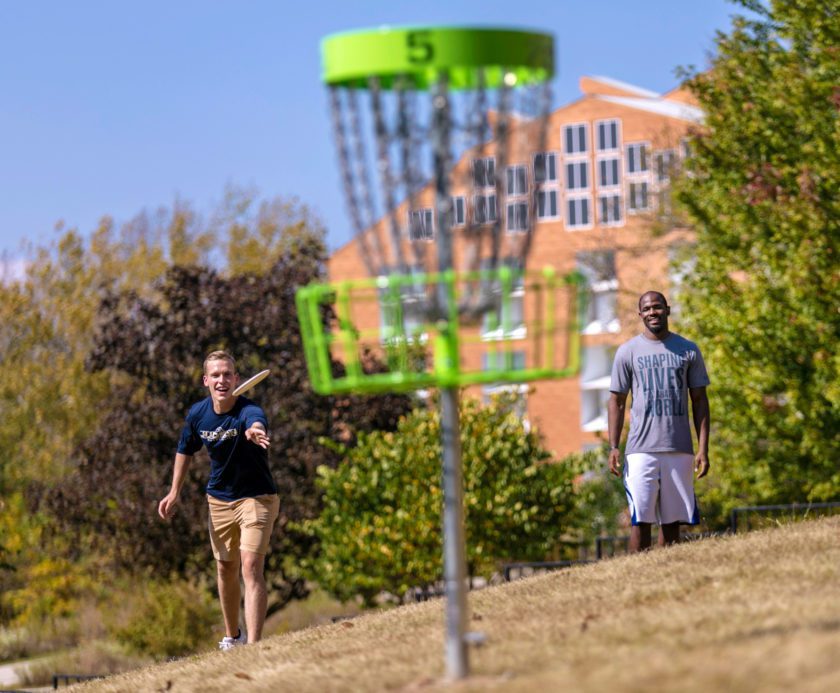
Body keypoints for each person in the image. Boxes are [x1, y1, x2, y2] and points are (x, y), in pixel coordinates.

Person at [158, 350, 279, 650]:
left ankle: (254, 646)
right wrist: (175, 491)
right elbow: (185, 449)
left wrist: (255, 431)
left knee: (250, 566)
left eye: (227, 374)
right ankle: (233, 637)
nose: (222, 380)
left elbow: (256, 422)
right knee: (225, 568)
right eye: (215, 375)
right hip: (219, 500)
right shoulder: (198, 414)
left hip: (257, 497)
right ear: (205, 381)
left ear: (237, 379)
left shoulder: (249, 410)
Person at [607, 291, 710, 552]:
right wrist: (613, 446)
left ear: (668, 310)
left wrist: (703, 449)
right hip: (641, 449)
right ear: (640, 314)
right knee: (640, 520)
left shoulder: (689, 350)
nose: (653, 312)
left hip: (679, 448)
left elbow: (699, 400)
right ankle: (634, 577)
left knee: (672, 522)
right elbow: (617, 401)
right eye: (647, 308)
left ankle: (667, 574)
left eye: (658, 307)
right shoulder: (627, 352)